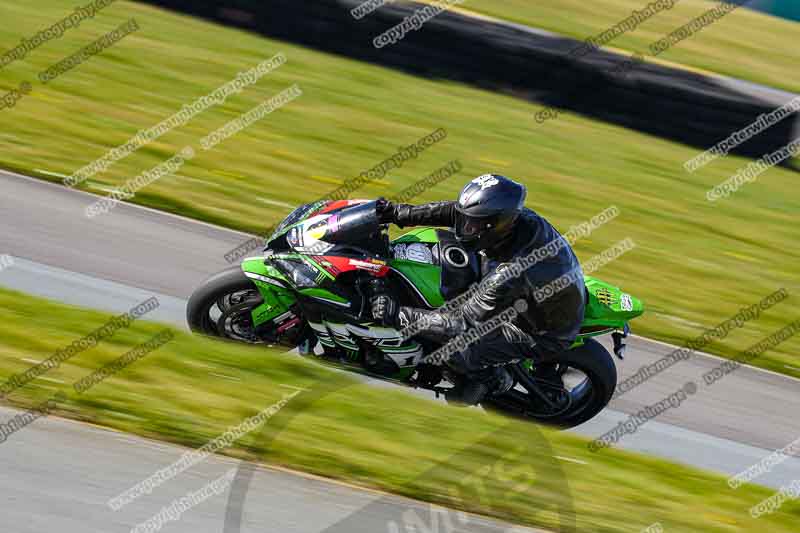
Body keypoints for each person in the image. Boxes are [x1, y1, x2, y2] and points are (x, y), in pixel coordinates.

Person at [371, 174, 586, 405]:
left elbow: (460, 323)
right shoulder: (510, 221)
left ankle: (494, 381)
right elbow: (455, 212)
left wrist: (398, 315)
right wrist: (398, 213)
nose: (464, 227)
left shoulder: (511, 271)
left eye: (471, 224)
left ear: (495, 225)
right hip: (534, 290)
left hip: (536, 330)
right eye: (466, 220)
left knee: (454, 349)